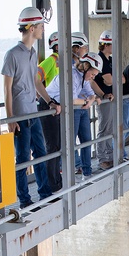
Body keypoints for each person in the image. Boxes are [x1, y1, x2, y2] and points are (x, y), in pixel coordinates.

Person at [2, 6, 62, 208]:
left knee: (41, 153)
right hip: (20, 115)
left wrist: (50, 101)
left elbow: (36, 81)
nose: (42, 30)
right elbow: (7, 88)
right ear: (31, 27)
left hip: (33, 111)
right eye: (40, 26)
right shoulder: (12, 55)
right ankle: (24, 199)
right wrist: (10, 119)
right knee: (22, 158)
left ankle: (45, 193)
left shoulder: (32, 52)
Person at [40, 31, 87, 192]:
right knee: (53, 146)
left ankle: (58, 182)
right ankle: (54, 185)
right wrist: (47, 99)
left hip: (58, 105)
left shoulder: (69, 63)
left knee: (59, 145)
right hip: (51, 104)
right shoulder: (52, 60)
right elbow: (36, 78)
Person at [46, 51, 103, 178]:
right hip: (51, 109)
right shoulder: (71, 75)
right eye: (93, 74)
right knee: (59, 144)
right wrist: (86, 101)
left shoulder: (83, 77)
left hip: (64, 109)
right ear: (86, 67)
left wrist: (91, 99)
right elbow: (71, 100)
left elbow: (90, 93)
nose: (93, 77)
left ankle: (86, 172)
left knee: (85, 140)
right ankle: (65, 176)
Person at [93, 30, 117, 169]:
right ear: (106, 45)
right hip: (104, 98)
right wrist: (109, 83)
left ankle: (109, 155)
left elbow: (119, 79)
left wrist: (112, 81)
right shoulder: (100, 59)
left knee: (110, 127)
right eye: (112, 44)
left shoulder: (110, 60)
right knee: (104, 127)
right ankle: (102, 158)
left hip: (110, 97)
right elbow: (108, 80)